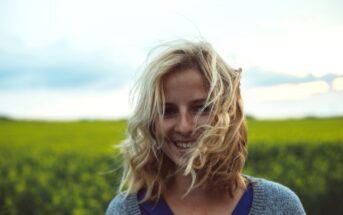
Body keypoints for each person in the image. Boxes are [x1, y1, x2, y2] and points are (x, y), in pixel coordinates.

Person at [106, 40, 306, 215]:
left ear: (230, 114)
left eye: (201, 108)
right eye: (167, 111)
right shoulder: (124, 210)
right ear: (151, 124)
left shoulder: (280, 206)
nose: (184, 127)